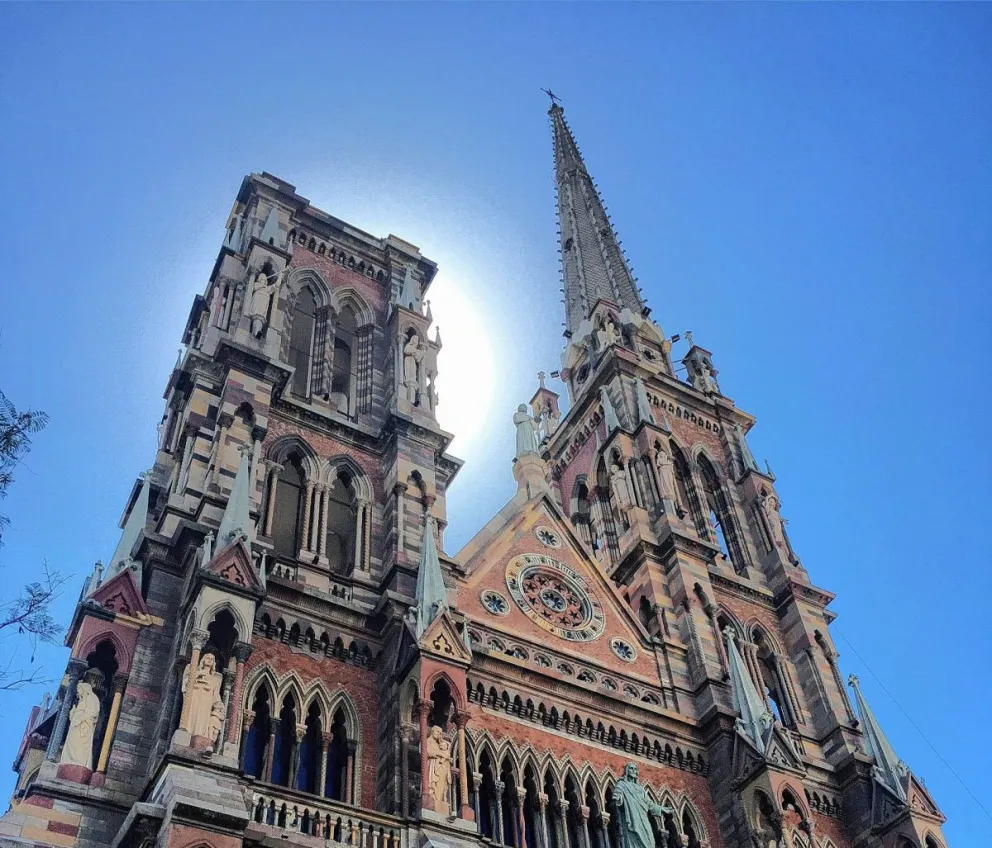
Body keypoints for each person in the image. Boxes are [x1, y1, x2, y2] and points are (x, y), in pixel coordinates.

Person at [612, 762, 671, 848]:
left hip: (643, 818)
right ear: (627, 771)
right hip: (632, 818)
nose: (633, 771)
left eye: (635, 769)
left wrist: (661, 808)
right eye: (631, 769)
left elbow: (649, 804)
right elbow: (616, 796)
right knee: (634, 838)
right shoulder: (622, 785)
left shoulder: (640, 789)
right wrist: (619, 799)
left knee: (649, 840)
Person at [60, 681, 101, 770]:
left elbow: (92, 712)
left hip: (83, 727)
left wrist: (80, 719)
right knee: (71, 744)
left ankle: (79, 763)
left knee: (80, 747)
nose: (78, 692)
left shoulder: (92, 698)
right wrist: (73, 713)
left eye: (79, 689)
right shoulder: (82, 700)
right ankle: (69, 762)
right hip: (75, 726)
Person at [426, 725, 452, 815]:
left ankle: (439, 801)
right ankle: (432, 799)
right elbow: (427, 752)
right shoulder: (427, 741)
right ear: (432, 732)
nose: (439, 734)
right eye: (438, 732)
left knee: (441, 786)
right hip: (431, 766)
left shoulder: (440, 744)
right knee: (431, 785)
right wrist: (440, 754)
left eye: (441, 733)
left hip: (440, 768)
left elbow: (447, 749)